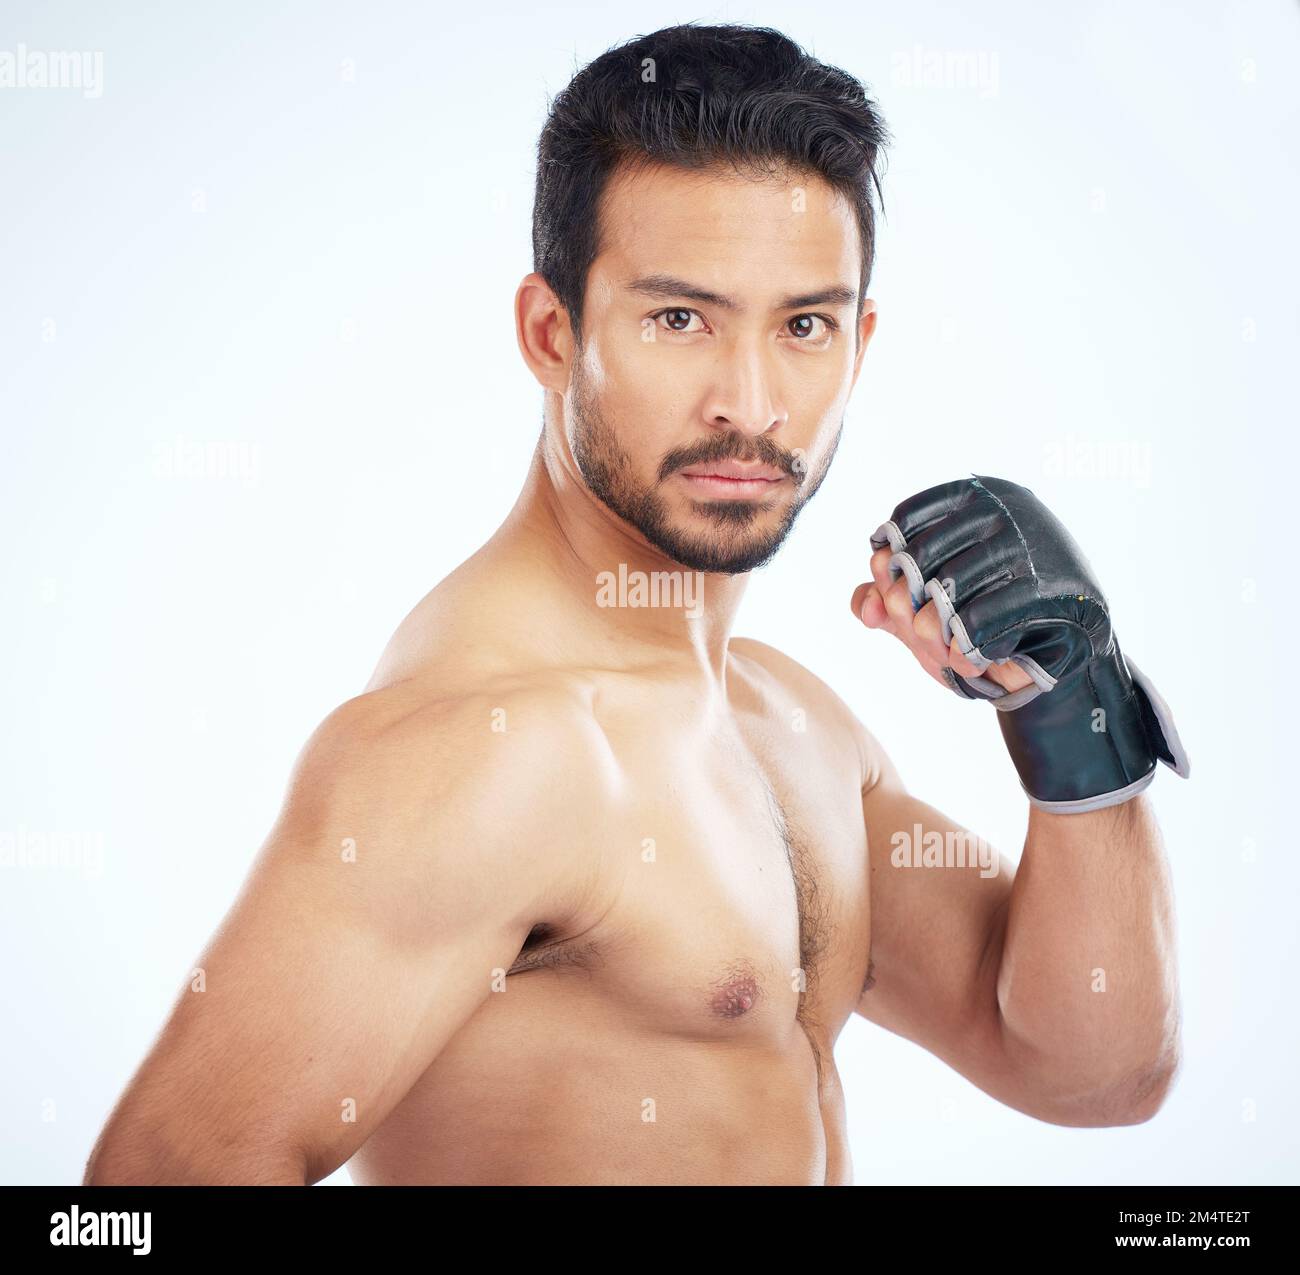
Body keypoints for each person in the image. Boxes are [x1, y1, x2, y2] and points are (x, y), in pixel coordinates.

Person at [83, 22, 1186, 1187]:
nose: (750, 403)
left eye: (802, 325)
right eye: (679, 319)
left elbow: (1091, 1071)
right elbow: (147, 1193)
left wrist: (1074, 704)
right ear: (551, 334)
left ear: (858, 346)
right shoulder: (491, 747)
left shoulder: (789, 726)